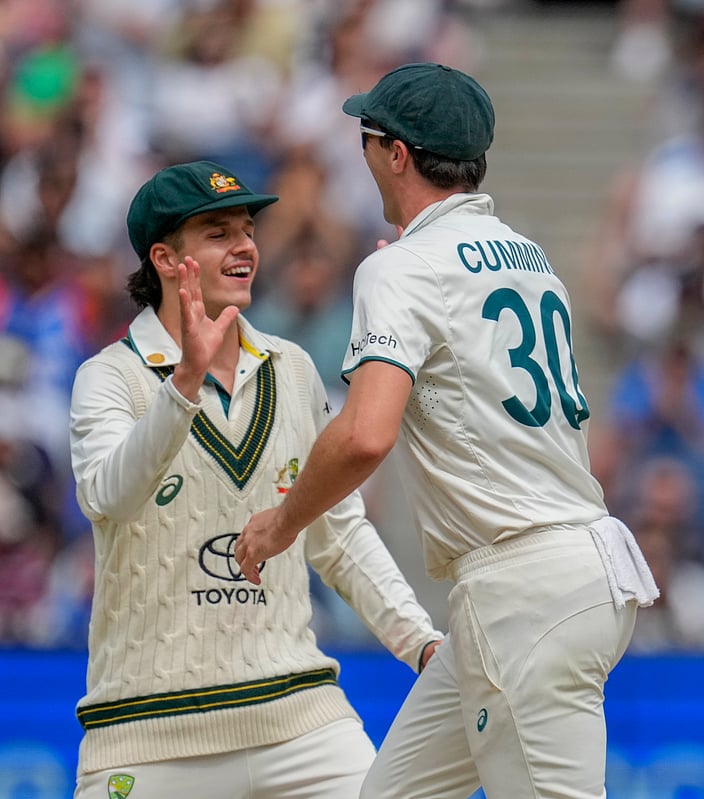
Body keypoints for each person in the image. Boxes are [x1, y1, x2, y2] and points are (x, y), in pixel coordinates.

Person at [234, 63, 658, 799]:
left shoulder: (401, 270)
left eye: (368, 136)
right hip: (572, 568)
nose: (362, 152)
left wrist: (280, 524)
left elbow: (367, 433)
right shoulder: (532, 258)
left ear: (397, 153)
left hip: (523, 587)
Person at [68, 160, 442, 798]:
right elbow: (109, 495)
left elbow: (339, 534)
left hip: (301, 722)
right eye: (217, 233)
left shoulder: (293, 369)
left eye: (247, 229)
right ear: (164, 257)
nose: (244, 246)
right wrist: (182, 384)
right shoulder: (110, 378)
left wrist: (423, 646)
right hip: (148, 733)